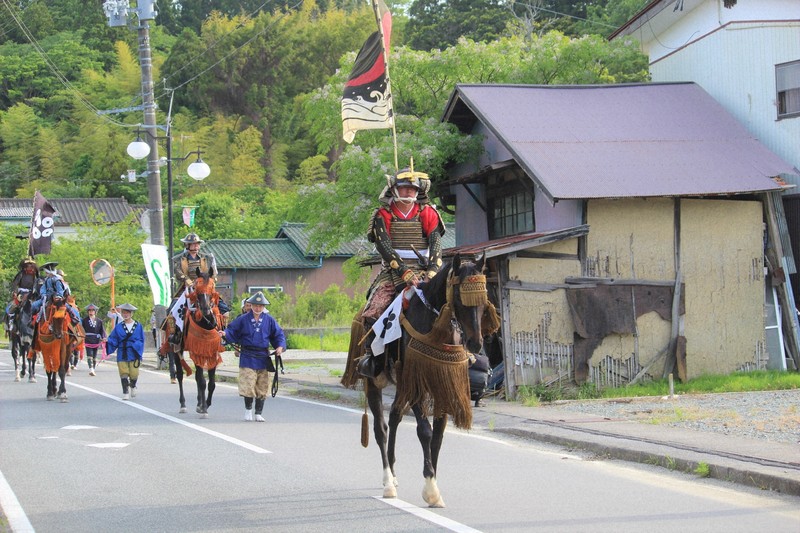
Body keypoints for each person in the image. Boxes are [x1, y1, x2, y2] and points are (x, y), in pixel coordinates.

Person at [357, 166, 445, 376]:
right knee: (374, 310)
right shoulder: (383, 214)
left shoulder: (428, 212)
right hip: (393, 273)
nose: (409, 192)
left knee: (452, 305)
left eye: (413, 189)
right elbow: (385, 248)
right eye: (404, 188)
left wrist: (432, 271)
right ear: (394, 189)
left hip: (426, 272)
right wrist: (405, 273)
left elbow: (436, 244)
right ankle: (374, 358)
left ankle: (463, 353)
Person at [221, 292, 286, 422]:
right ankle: (248, 410)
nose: (257, 308)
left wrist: (280, 346)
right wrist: (225, 333)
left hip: (263, 356)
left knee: (262, 385)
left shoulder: (269, 320)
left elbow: (278, 335)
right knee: (248, 384)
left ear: (263, 307)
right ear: (251, 306)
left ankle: (258, 413)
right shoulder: (243, 319)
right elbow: (232, 330)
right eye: (255, 306)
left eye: (260, 306)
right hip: (247, 355)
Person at [106, 303, 144, 400]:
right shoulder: (118, 327)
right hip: (122, 351)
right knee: (123, 372)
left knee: (134, 373)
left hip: (133, 351)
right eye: (124, 312)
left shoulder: (138, 326)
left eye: (127, 312)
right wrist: (107, 341)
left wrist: (137, 347)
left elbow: (141, 340)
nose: (125, 314)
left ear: (131, 313)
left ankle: (133, 385)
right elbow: (114, 338)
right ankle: (125, 392)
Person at [81, 304, 105, 376]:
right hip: (88, 339)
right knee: (89, 354)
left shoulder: (99, 321)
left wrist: (103, 337)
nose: (91, 312)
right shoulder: (84, 320)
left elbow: (102, 331)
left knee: (94, 356)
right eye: (89, 311)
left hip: (96, 340)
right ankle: (90, 368)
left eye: (92, 311)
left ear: (95, 312)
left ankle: (93, 369)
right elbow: (82, 330)